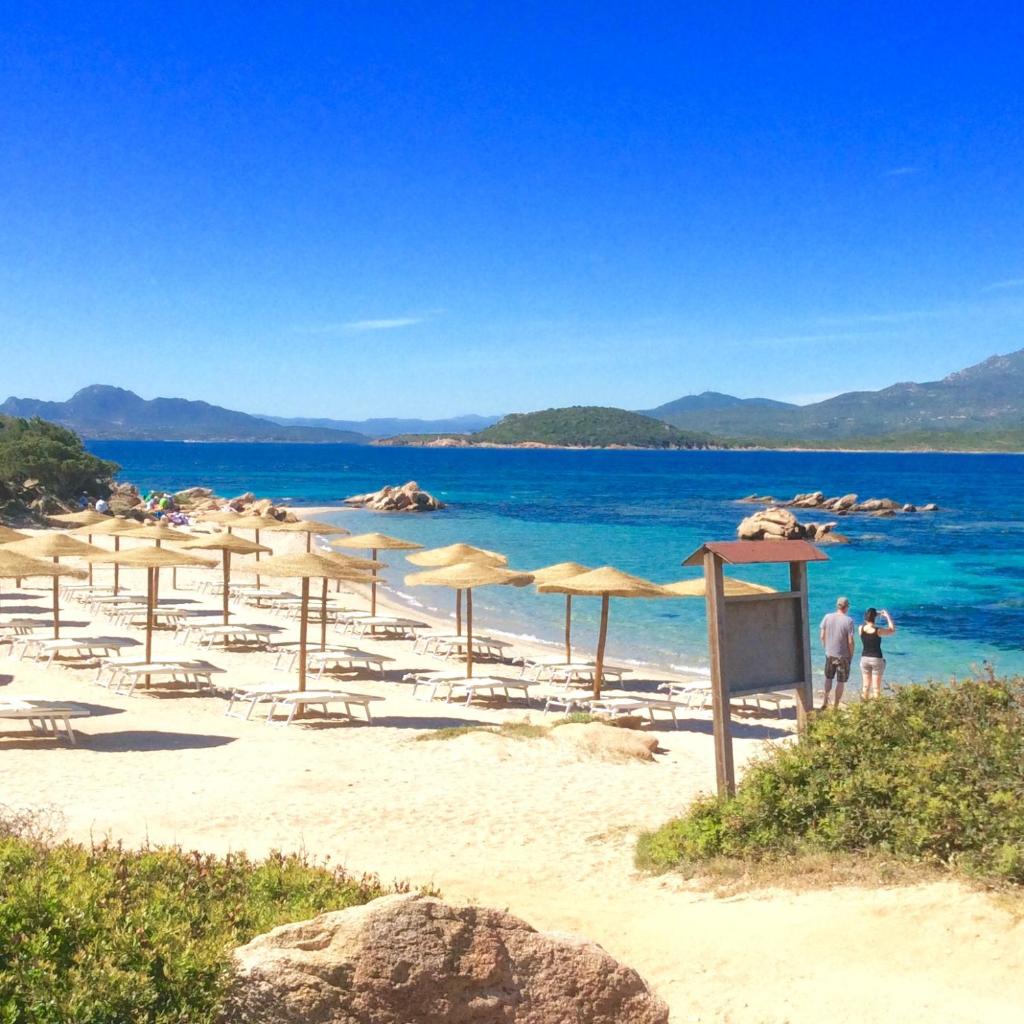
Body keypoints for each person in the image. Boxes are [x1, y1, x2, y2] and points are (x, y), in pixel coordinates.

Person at [819, 596, 855, 709]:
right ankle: (835, 706)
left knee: (828, 678)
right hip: (843, 656)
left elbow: (822, 636)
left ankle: (825, 702)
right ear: (847, 607)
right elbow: (850, 642)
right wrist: (851, 655)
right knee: (841, 681)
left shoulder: (827, 617)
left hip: (829, 654)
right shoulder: (849, 621)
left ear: (837, 606)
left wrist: (826, 648)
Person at [859, 607, 896, 700]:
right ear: (875, 618)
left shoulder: (861, 629)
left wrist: (875, 614)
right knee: (876, 688)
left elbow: (868, 624)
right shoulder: (878, 630)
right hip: (877, 659)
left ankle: (863, 707)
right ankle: (876, 708)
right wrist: (887, 616)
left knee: (865, 686)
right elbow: (892, 629)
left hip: (864, 658)